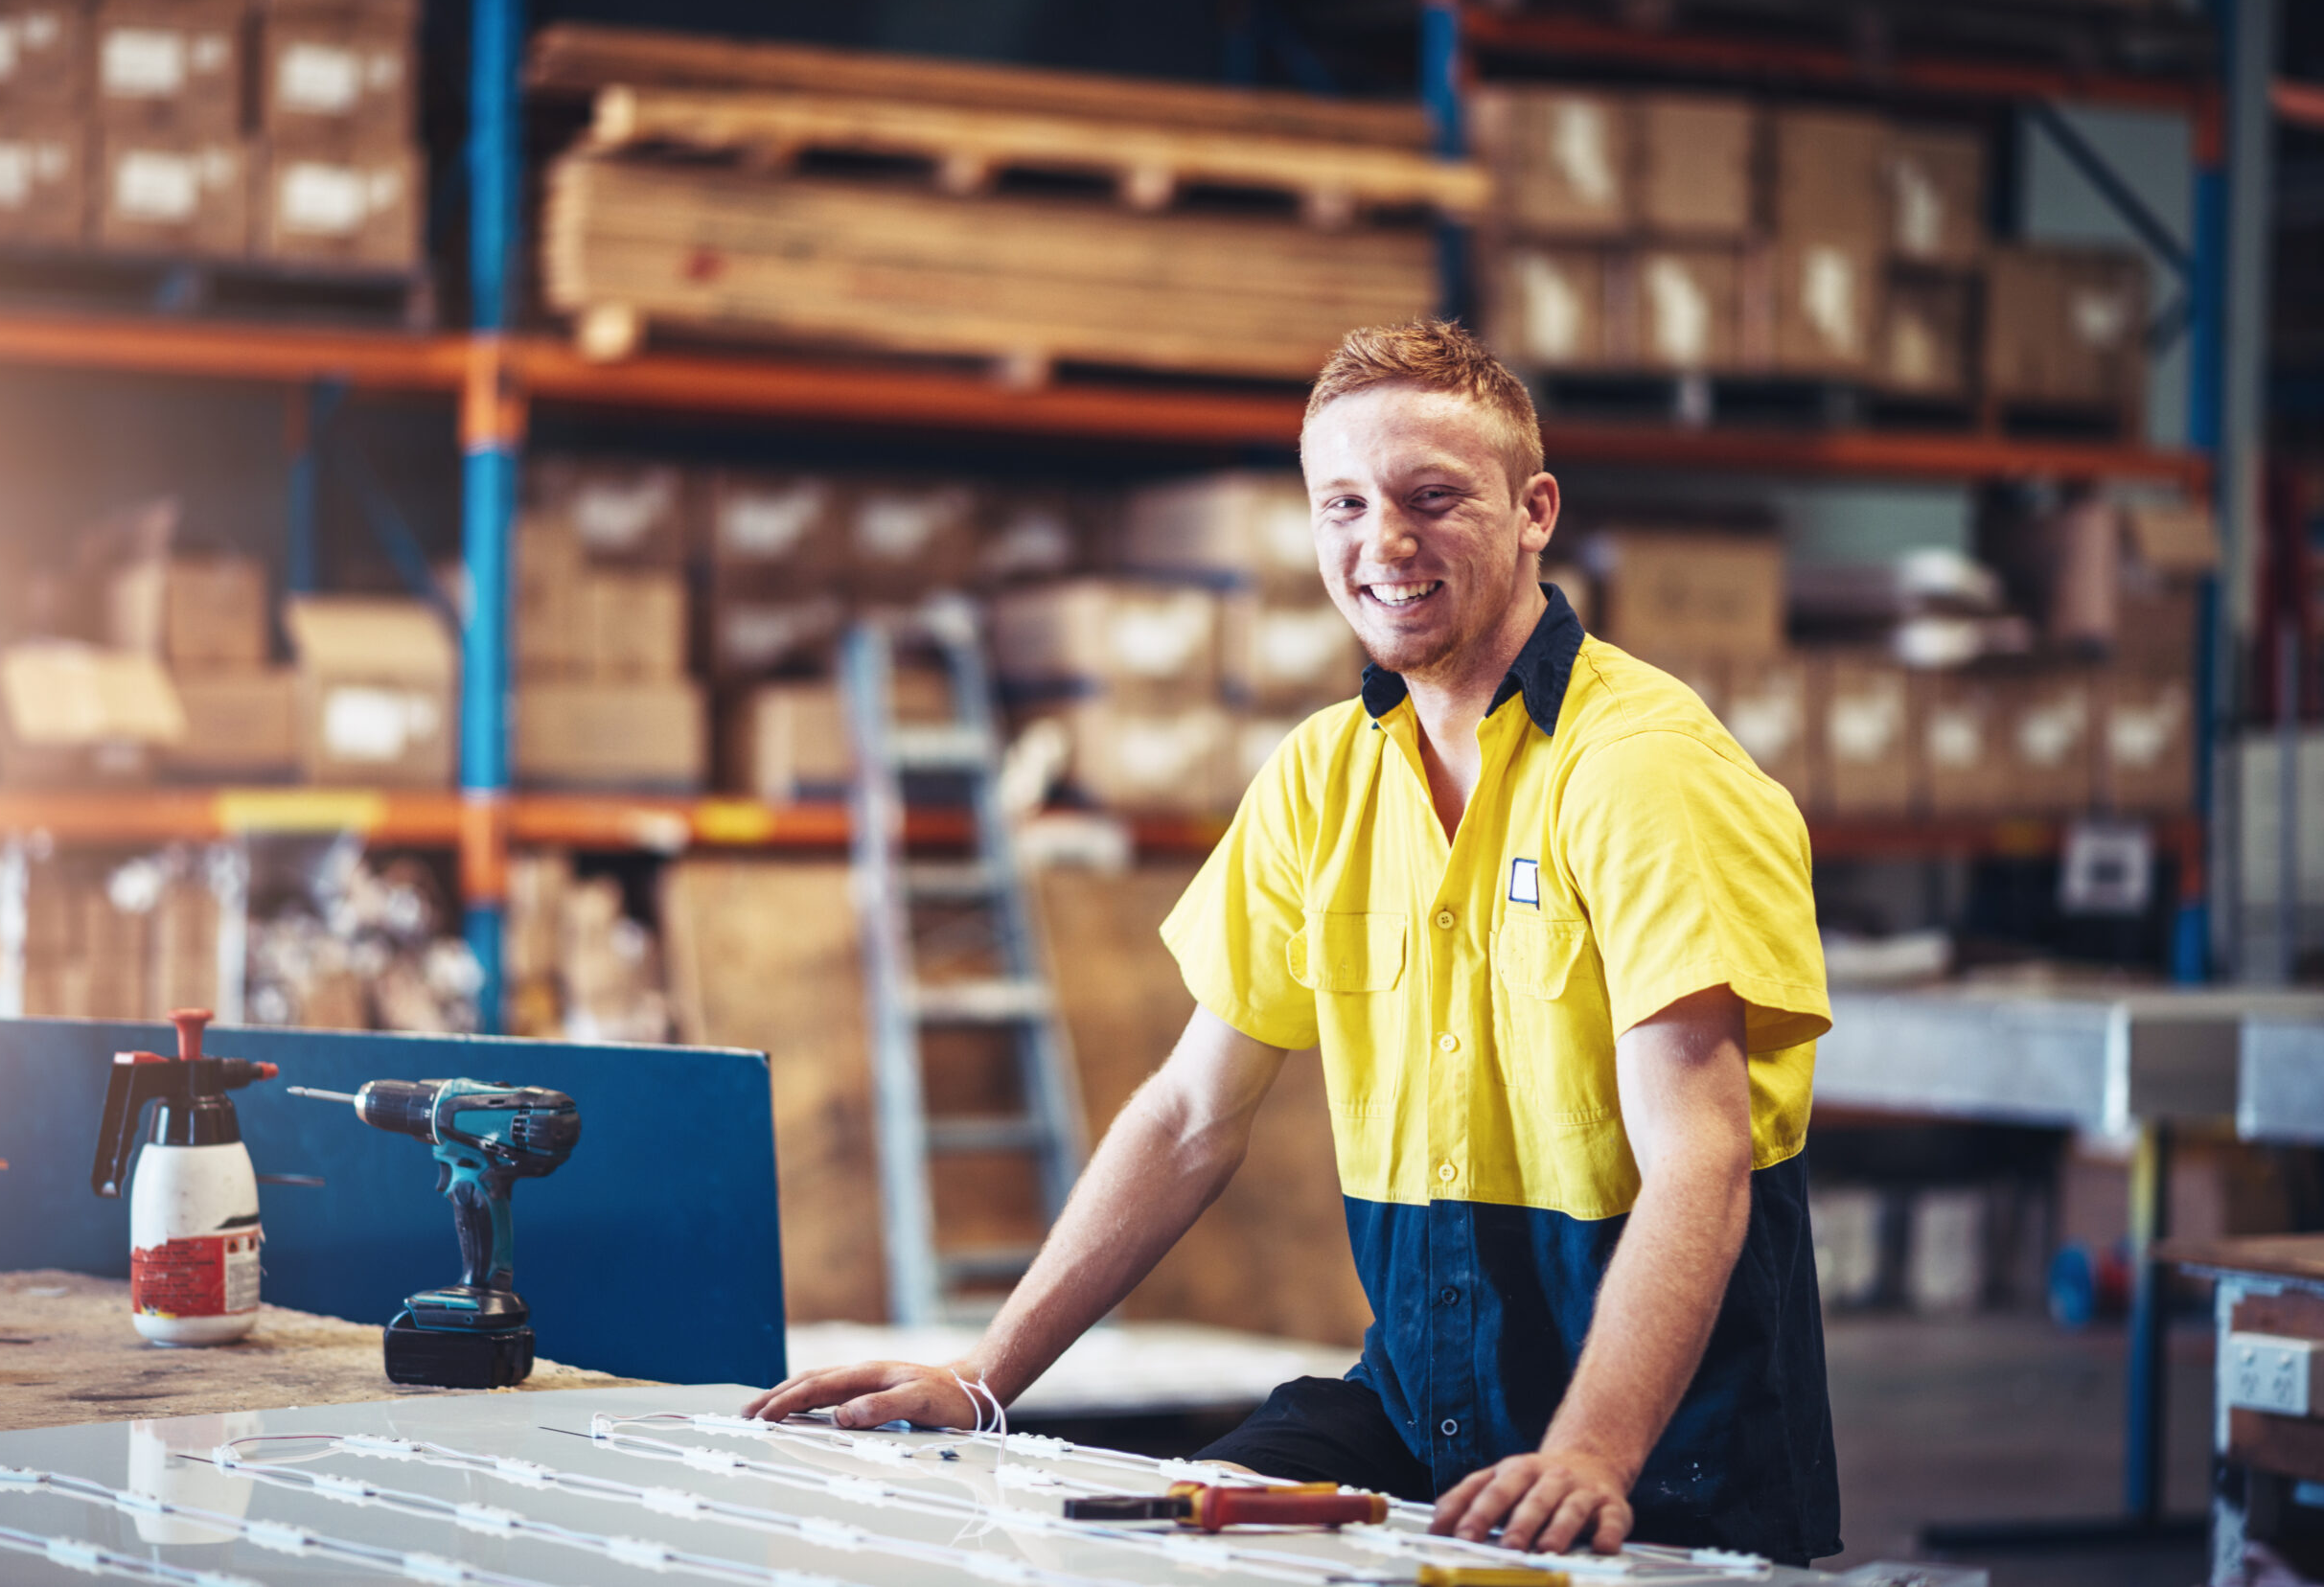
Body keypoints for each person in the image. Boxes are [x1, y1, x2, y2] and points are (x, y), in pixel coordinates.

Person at [745, 319, 1837, 1565]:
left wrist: (1592, 1449)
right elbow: (1189, 1115)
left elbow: (1700, 1157)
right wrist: (983, 1378)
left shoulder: (1644, 773)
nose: (1385, 542)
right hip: (1426, 1407)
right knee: (1153, 1546)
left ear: (1535, 510)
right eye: (1345, 503)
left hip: (1664, 1445)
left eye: (1434, 497)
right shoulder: (1324, 778)